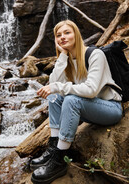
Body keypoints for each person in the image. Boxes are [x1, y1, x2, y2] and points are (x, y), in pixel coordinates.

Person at [30, 20, 122, 184]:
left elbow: (91, 90)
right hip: (88, 108)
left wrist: (58, 86)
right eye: (58, 35)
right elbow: (53, 83)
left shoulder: (95, 54)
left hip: (110, 108)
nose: (62, 37)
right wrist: (62, 57)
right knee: (55, 96)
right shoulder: (66, 59)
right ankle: (53, 147)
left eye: (67, 32)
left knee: (70, 99)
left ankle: (60, 159)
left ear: (76, 35)